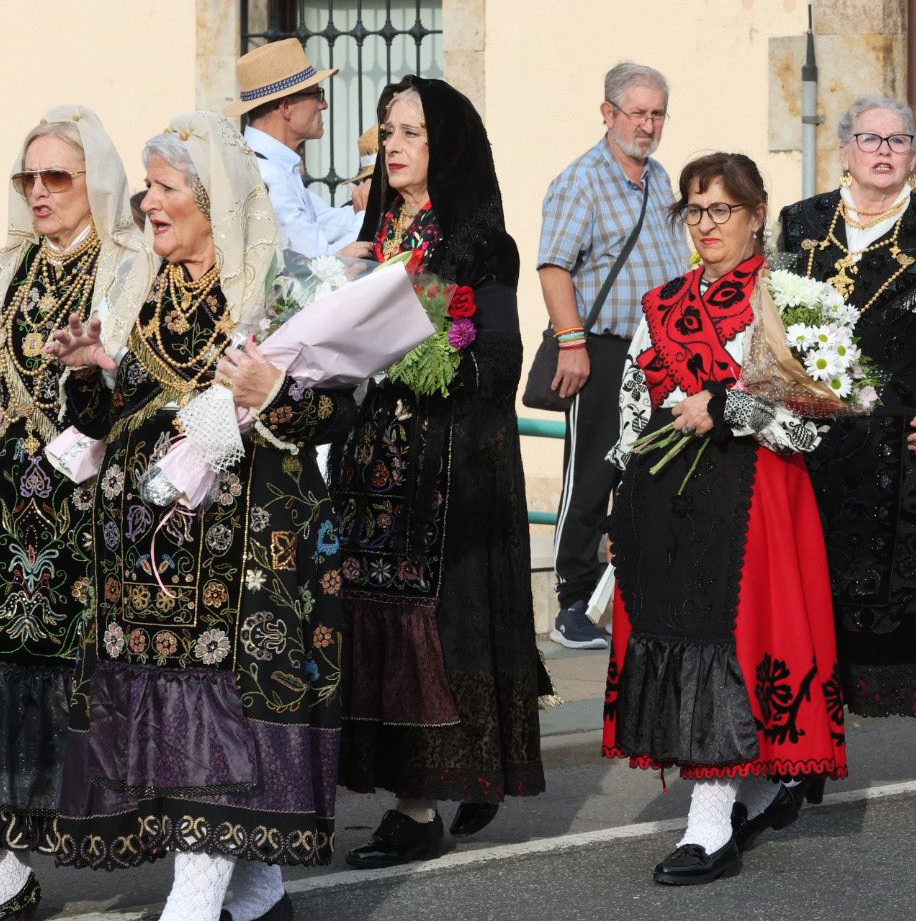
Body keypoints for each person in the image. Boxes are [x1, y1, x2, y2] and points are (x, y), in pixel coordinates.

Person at [47, 111, 348, 921]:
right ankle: (258, 892)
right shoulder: (135, 290)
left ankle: (197, 898)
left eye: (166, 186)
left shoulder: (283, 288)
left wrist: (271, 395)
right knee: (172, 726)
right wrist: (86, 375)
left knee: (217, 725)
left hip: (244, 557)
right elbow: (108, 416)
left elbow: (328, 419)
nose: (147, 201)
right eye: (146, 185)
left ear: (212, 201)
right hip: (143, 569)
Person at [602, 152, 846, 885]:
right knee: (680, 644)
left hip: (751, 508)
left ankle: (711, 826)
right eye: (695, 211)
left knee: (728, 653)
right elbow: (631, 420)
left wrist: (729, 405)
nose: (707, 226)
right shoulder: (659, 303)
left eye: (722, 211)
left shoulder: (789, 300)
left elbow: (814, 428)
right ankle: (765, 790)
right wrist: (618, 512)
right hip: (666, 509)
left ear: (757, 214)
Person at [331, 78, 547, 867]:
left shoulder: (481, 245)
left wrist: (416, 333)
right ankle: (414, 795)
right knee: (375, 626)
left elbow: (499, 365)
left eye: (412, 132)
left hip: (449, 468)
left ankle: (426, 801)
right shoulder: (371, 239)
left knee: (436, 627)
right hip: (373, 468)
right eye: (387, 130)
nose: (393, 145)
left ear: (447, 145)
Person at [0, 107, 151, 920]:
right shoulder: (4, 271)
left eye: (57, 177)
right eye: (27, 178)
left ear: (94, 182)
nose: (39, 192)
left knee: (98, 683)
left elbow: (137, 385)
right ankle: (8, 864)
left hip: (90, 506)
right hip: (9, 509)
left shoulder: (129, 269)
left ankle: (189, 849)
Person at [776, 95, 916, 802]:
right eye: (869, 138)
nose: (883, 150)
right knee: (819, 600)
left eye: (899, 140)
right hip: (821, 445)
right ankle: (811, 745)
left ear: (912, 155)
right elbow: (769, 325)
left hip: (910, 444)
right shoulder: (801, 226)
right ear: (843, 149)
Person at [537, 62, 692, 650]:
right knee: (591, 475)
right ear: (608, 113)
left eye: (656, 114)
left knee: (649, 472)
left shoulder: (659, 177)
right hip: (598, 348)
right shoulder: (581, 180)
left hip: (658, 354)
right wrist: (572, 344)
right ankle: (573, 603)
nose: (647, 125)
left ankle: (630, 590)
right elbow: (554, 267)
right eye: (637, 112)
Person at [227, 38, 371, 260]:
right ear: (286, 108)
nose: (324, 105)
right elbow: (319, 265)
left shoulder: (272, 165)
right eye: (317, 95)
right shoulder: (266, 176)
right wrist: (363, 215)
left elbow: (326, 222)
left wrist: (374, 203)